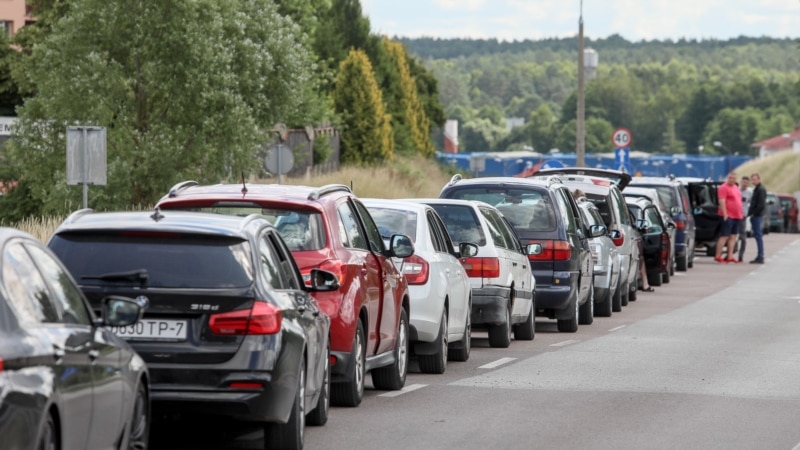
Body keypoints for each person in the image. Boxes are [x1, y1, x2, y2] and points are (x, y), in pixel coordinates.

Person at [714, 172, 744, 264]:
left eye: (734, 178)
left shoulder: (736, 187)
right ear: (728, 178)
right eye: (730, 178)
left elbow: (738, 201)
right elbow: (722, 201)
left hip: (737, 215)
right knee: (724, 236)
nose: (732, 180)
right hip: (728, 215)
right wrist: (725, 214)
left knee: (733, 236)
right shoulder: (723, 187)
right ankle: (718, 255)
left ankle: (730, 256)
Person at [747, 173, 766, 264]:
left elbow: (760, 204)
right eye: (752, 179)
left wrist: (754, 214)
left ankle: (760, 256)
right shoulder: (757, 189)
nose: (753, 181)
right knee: (757, 235)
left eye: (754, 179)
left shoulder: (760, 189)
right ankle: (760, 255)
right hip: (755, 215)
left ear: (759, 179)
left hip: (757, 216)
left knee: (758, 236)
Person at [737, 175, 753, 262]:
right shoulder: (737, 190)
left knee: (743, 237)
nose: (745, 184)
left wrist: (749, 213)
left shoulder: (750, 192)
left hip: (743, 216)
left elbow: (751, 203)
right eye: (744, 182)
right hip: (734, 215)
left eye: (747, 182)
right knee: (731, 236)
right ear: (741, 182)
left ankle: (741, 255)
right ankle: (729, 254)